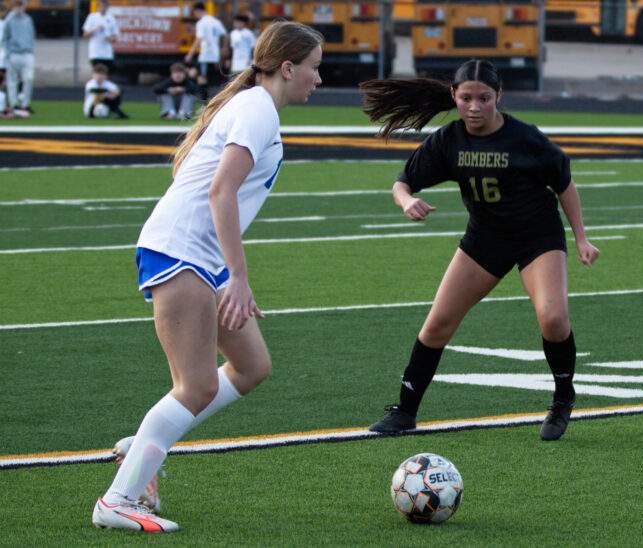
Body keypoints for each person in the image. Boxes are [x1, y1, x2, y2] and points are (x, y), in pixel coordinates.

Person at [91, 20, 323, 533]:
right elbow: (221, 191)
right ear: (288, 68)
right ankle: (118, 500)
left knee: (251, 366)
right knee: (195, 386)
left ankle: (143, 447)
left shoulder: (253, 107)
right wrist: (238, 276)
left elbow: (202, 180)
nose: (319, 78)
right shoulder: (256, 109)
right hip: (181, 253)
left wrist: (227, 270)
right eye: (314, 67)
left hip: (200, 257)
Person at [360, 60, 600, 442]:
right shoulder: (449, 140)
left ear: (499, 96)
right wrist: (406, 201)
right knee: (437, 324)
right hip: (485, 239)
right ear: (453, 96)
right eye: (466, 98)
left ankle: (562, 397)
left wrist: (581, 238)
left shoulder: (525, 138)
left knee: (553, 317)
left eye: (484, 98)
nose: (474, 107)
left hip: (537, 237)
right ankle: (404, 412)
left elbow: (564, 183)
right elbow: (402, 182)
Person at [184, 1, 227, 98]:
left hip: (206, 55)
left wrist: (190, 54)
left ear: (197, 11)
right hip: (216, 55)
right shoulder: (216, 21)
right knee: (208, 78)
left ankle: (205, 101)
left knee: (201, 77)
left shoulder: (201, 23)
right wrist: (224, 48)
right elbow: (225, 35)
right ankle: (210, 99)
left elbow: (198, 39)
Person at [1, 0, 35, 116]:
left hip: (27, 53)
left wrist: (31, 50)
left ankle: (25, 104)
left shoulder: (28, 19)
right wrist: (8, 52)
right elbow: (4, 38)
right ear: (14, 7)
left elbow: (31, 35)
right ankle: (14, 104)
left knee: (28, 78)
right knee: (12, 80)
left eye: (21, 6)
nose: (20, 9)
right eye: (17, 6)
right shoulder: (9, 20)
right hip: (14, 53)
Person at [82, 0, 120, 73]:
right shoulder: (92, 17)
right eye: (101, 6)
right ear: (97, 7)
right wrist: (95, 29)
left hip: (107, 53)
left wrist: (110, 38)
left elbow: (115, 37)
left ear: (107, 7)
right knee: (97, 73)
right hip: (95, 53)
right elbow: (85, 34)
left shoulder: (111, 19)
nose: (102, 8)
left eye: (104, 6)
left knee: (107, 74)